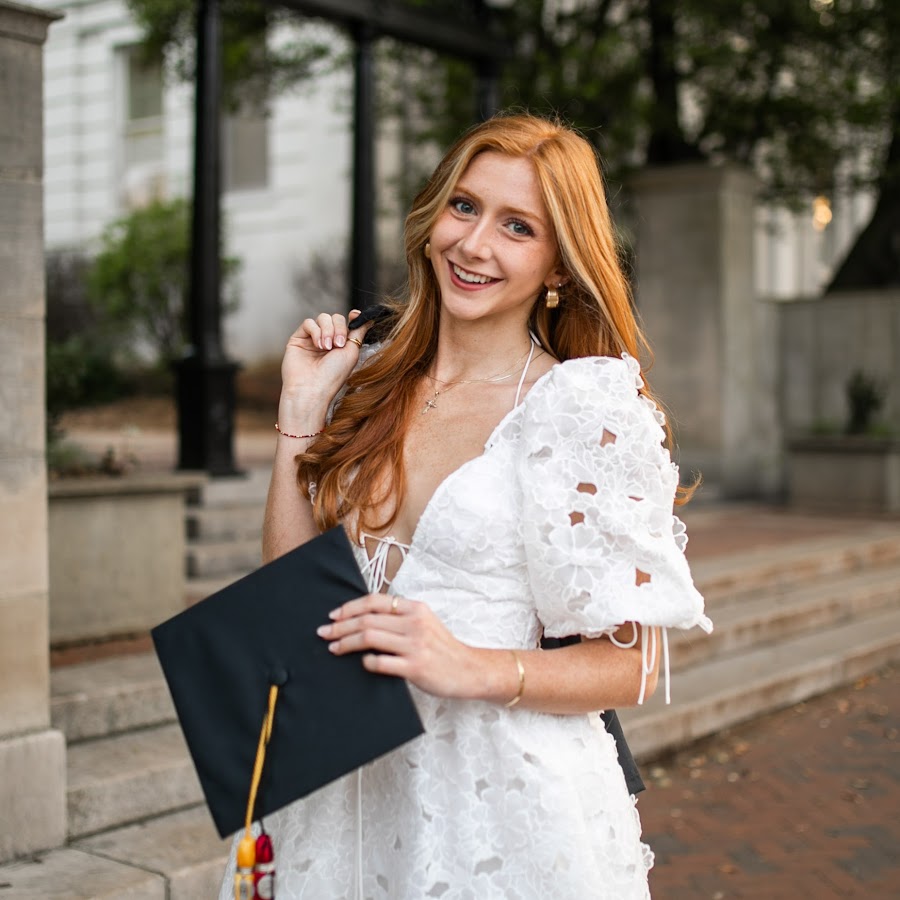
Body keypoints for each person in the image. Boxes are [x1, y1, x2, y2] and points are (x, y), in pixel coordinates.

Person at [219, 113, 711, 899]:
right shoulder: (370, 381)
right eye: (464, 206)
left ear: (558, 265)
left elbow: (633, 664)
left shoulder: (580, 410)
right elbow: (294, 590)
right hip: (341, 790)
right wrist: (301, 413)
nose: (474, 244)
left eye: (518, 226)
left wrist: (471, 666)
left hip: (497, 809)